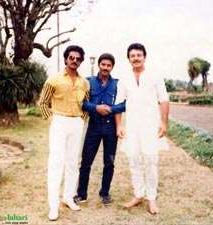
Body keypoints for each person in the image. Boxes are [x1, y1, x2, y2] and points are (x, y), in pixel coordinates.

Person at [114, 43, 169, 214]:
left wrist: (164, 123)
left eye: (139, 55)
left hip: (150, 127)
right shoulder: (124, 78)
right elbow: (118, 103)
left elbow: (164, 99)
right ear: (129, 59)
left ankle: (151, 198)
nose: (136, 58)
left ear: (144, 57)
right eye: (132, 56)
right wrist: (118, 126)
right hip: (132, 127)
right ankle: (139, 195)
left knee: (151, 163)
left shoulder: (155, 75)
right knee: (134, 162)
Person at [39, 45, 90, 221]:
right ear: (66, 59)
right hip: (59, 121)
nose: (74, 61)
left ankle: (68, 197)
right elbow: (43, 103)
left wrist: (82, 120)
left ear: (81, 61)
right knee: (56, 163)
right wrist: (52, 121)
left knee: (72, 163)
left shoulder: (85, 83)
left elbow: (87, 104)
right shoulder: (53, 80)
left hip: (76, 123)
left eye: (78, 58)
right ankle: (53, 206)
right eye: (71, 58)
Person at [73, 53, 125, 206]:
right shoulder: (88, 82)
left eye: (109, 65)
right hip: (94, 126)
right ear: (99, 65)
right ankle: (81, 194)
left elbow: (124, 104)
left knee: (109, 162)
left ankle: (105, 193)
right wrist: (96, 107)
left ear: (112, 67)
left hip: (110, 127)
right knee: (86, 162)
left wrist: (110, 109)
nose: (105, 68)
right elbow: (81, 102)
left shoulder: (117, 84)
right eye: (103, 65)